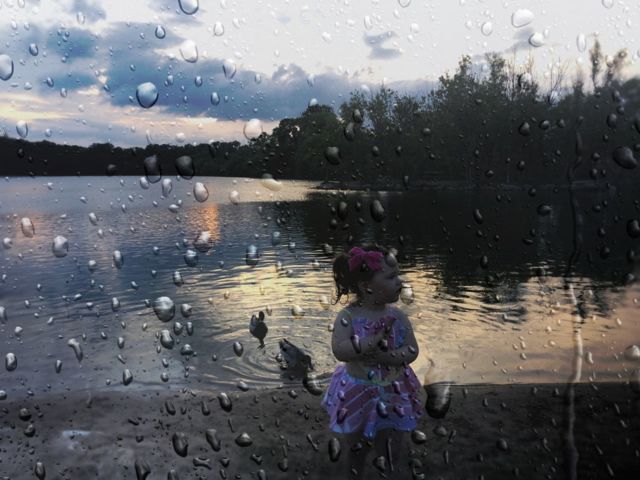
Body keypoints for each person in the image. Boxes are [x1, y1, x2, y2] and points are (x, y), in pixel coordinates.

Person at [320, 244, 423, 478]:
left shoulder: (397, 316)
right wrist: (369, 343)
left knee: (390, 446)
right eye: (391, 277)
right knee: (357, 448)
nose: (400, 282)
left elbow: (412, 351)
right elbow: (340, 350)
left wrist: (386, 357)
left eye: (397, 275)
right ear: (366, 286)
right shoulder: (348, 316)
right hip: (358, 392)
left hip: (393, 390)